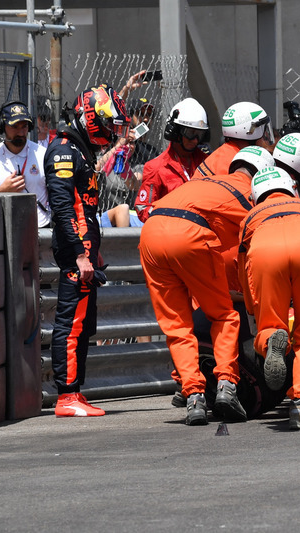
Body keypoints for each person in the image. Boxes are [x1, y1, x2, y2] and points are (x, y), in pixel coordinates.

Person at [138, 146, 275, 426]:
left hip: (151, 232)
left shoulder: (205, 181)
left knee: (176, 325)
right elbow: (267, 230)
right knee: (223, 315)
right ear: (262, 174)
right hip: (188, 233)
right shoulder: (246, 191)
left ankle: (194, 397)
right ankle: (226, 385)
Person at [45, 84, 131, 417]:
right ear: (92, 118)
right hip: (74, 255)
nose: (111, 131)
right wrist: (80, 254)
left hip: (85, 255)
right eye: (108, 123)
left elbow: (87, 209)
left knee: (83, 325)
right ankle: (66, 396)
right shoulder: (64, 150)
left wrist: (92, 254)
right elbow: (63, 207)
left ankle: (75, 393)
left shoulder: (81, 150)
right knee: (70, 324)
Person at [237, 167, 300, 429]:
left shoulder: (250, 217)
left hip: (265, 250)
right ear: (290, 188)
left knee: (270, 325)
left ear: (257, 194)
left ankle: (272, 340)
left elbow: (243, 266)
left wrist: (252, 307)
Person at [0, 100, 51, 228]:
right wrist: (1, 192)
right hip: (1, 231)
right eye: (14, 127)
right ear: (1, 127)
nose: (21, 132)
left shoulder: (44, 155)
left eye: (24, 126)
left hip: (40, 230)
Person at [134, 98, 210, 223]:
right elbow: (143, 208)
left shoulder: (208, 163)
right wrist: (172, 218)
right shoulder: (156, 167)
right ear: (175, 131)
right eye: (191, 133)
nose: (195, 140)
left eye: (200, 134)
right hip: (171, 234)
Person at [98, 98, 160, 228]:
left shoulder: (143, 159)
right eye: (140, 114)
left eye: (132, 143)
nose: (146, 119)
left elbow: (134, 183)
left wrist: (125, 168)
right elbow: (96, 168)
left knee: (124, 209)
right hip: (104, 215)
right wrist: (117, 149)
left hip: (130, 217)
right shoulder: (106, 153)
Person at [195, 101, 276, 177]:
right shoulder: (239, 165)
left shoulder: (222, 154)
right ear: (251, 131)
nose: (264, 139)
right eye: (263, 131)